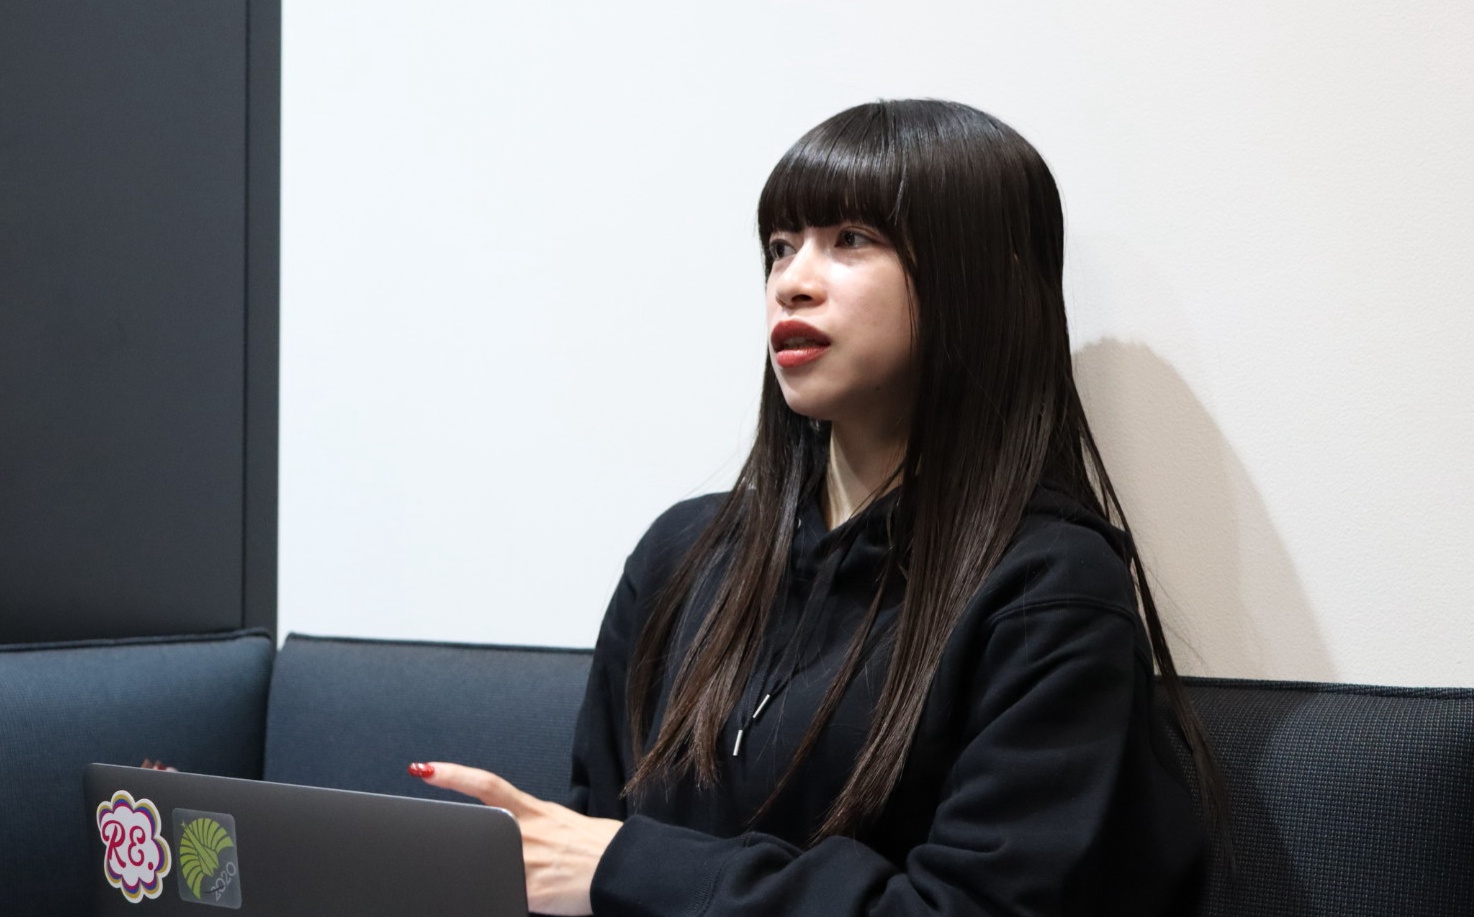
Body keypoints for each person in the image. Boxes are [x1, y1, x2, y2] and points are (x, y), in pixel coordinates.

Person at [410, 99, 1215, 916]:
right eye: (780, 247)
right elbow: (584, 857)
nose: (791, 282)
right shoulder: (683, 555)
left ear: (985, 278)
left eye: (852, 240)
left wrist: (633, 866)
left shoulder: (1049, 588)